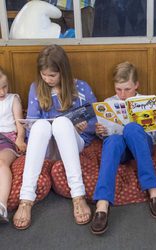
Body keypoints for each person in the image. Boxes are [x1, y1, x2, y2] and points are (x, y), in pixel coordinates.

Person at [13, 44, 97, 230]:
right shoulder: (36, 88)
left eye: (52, 75)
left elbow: (96, 119)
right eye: (44, 75)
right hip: (46, 147)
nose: (47, 79)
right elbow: (32, 126)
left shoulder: (81, 87)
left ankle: (78, 195)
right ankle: (26, 200)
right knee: (41, 125)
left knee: (61, 123)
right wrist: (33, 127)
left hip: (74, 143)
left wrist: (82, 126)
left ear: (63, 72)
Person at [91, 61, 156, 235]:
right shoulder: (109, 103)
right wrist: (100, 132)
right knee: (112, 141)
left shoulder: (147, 103)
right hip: (121, 150)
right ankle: (102, 204)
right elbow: (105, 132)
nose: (123, 94)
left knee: (132, 128)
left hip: (141, 146)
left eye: (127, 89)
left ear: (136, 85)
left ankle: (153, 191)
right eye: (118, 89)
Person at [0, 67, 27, 224]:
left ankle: (2, 206)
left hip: (7, 138)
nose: (2, 92)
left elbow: (19, 122)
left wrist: (20, 139)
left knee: (2, 163)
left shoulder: (13, 99)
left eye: (5, 87)